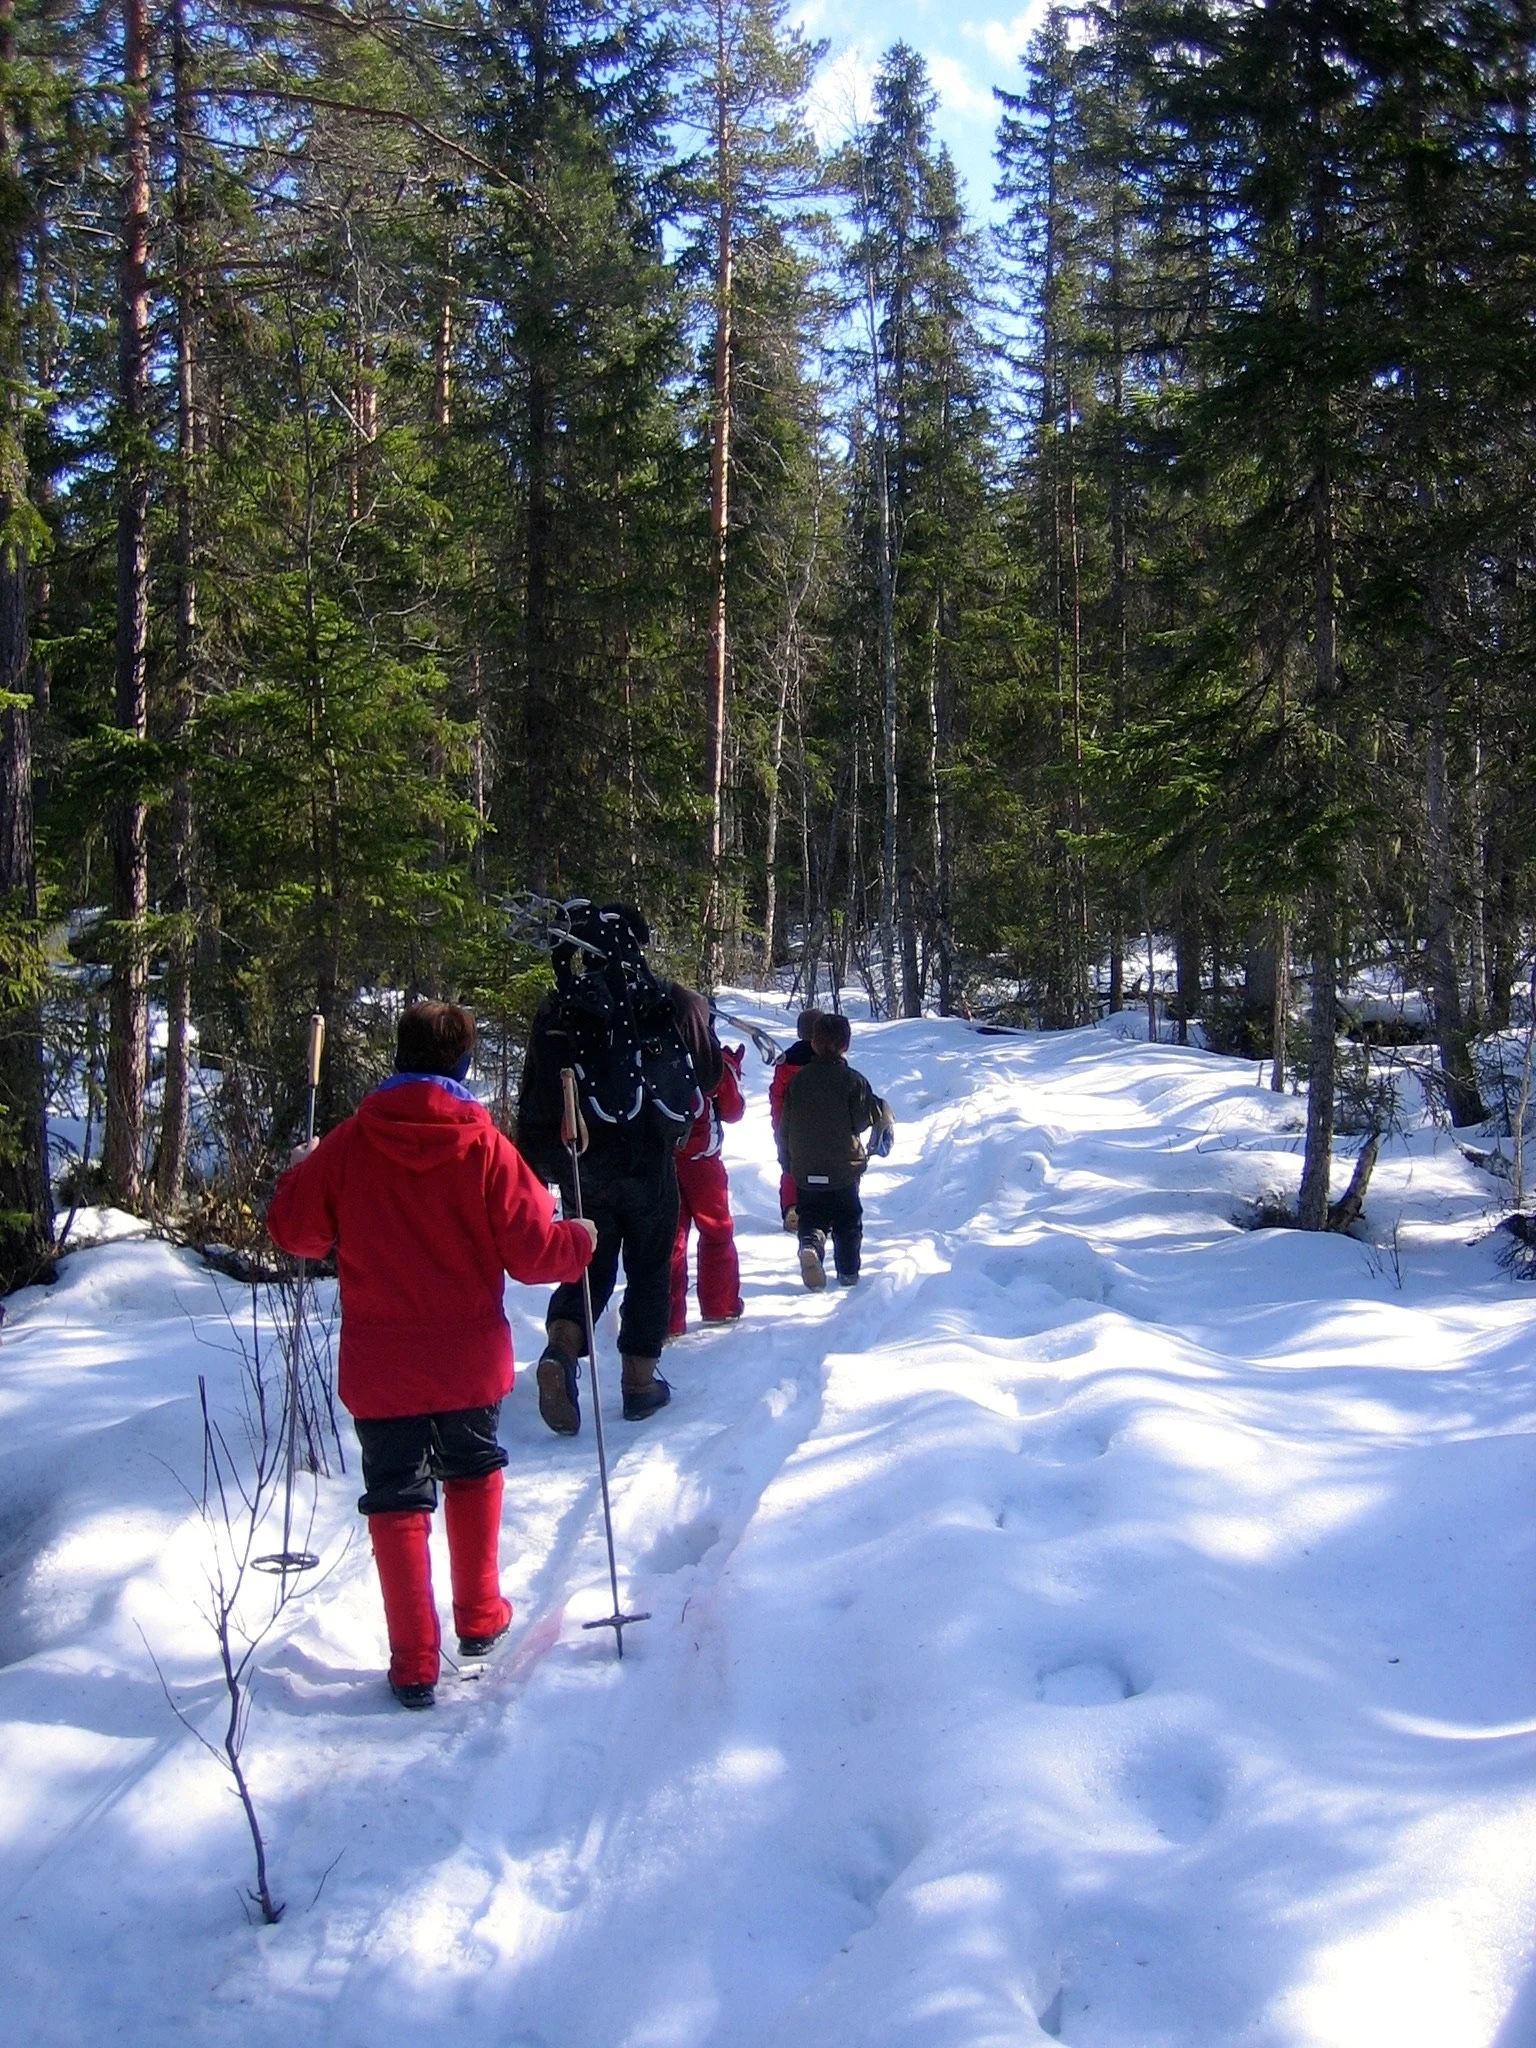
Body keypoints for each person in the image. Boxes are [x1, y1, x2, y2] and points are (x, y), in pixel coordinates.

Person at [266, 1000, 596, 1711]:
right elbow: (537, 1255)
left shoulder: (352, 1143)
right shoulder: (482, 1145)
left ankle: (413, 1658)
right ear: (463, 1063)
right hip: (466, 1357)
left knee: (395, 1495)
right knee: (472, 1471)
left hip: (381, 1365)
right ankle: (479, 1620)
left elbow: (294, 1232)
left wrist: (299, 1174)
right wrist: (581, 1239)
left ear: (399, 1055)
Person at [515, 905, 721, 1432]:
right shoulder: (670, 999)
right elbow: (709, 1071)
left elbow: (535, 1090)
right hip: (651, 1156)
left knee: (587, 1264)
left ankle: (560, 1352)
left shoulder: (558, 1009)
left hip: (582, 1160)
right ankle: (639, 1381)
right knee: (650, 1268)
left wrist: (541, 1161)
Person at [778, 1011, 894, 1291]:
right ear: (846, 1045)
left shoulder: (798, 1081)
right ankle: (848, 1271)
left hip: (806, 1168)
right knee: (848, 1219)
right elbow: (862, 1120)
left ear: (813, 1043)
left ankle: (811, 1244)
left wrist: (788, 1162)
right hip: (844, 1168)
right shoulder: (853, 1081)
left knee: (812, 1214)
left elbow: (786, 1126)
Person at [669, 1029, 746, 1339]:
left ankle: (668, 1319)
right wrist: (730, 1067)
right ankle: (720, 1305)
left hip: (664, 1160)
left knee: (670, 1238)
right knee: (716, 1231)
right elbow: (733, 1111)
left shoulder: (653, 1051)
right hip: (703, 1159)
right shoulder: (711, 1058)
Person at [768, 1007, 822, 1231]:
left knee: (789, 1167)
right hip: (820, 1126)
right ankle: (818, 1208)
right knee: (819, 1167)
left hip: (788, 1126)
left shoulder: (786, 1060)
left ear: (799, 1032)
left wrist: (777, 1121)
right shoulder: (826, 1060)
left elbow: (777, 1095)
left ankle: (792, 1207)